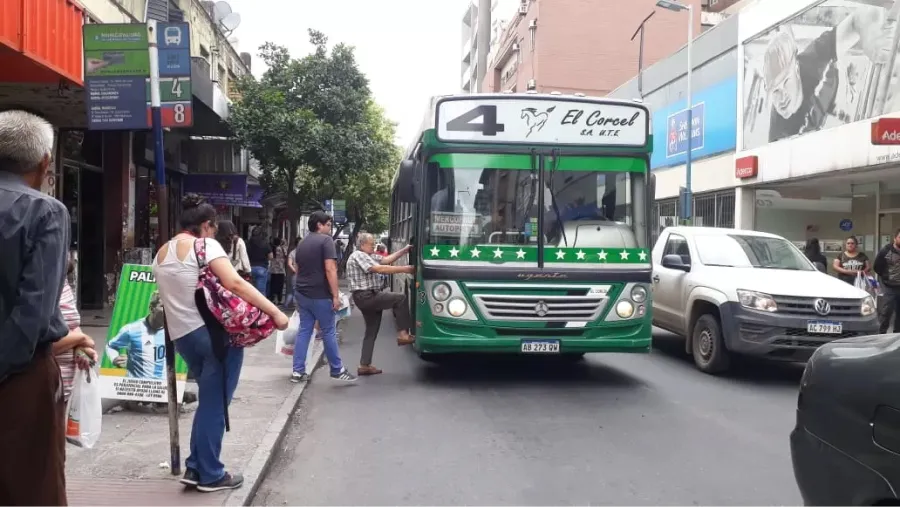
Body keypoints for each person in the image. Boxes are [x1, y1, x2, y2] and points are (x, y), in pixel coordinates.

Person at [152, 194, 288, 492]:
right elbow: (235, 283)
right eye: (214, 229)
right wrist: (276, 313)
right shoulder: (205, 245)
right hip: (213, 336)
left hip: (183, 337)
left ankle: (195, 467)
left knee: (209, 401)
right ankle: (212, 474)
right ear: (206, 225)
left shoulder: (162, 252)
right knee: (216, 404)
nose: (215, 234)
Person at [0, 110, 70, 505]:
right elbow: (34, 311)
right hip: (20, 377)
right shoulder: (44, 211)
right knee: (32, 487)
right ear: (44, 161)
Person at [291, 211, 356, 383]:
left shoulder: (302, 242)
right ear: (319, 225)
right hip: (320, 294)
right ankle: (337, 369)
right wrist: (335, 295)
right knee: (328, 331)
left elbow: (297, 268)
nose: (330, 228)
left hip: (301, 292)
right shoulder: (326, 241)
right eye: (328, 224)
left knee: (304, 330)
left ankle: (297, 371)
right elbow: (330, 269)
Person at [346, 233, 415, 376]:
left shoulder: (369, 256)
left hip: (367, 296)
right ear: (363, 244)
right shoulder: (358, 255)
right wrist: (405, 269)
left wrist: (404, 250)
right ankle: (403, 334)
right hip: (366, 296)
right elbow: (379, 269)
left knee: (371, 331)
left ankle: (364, 365)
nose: (374, 245)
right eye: (371, 243)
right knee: (400, 298)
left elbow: (386, 260)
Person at [55, 257, 99, 403]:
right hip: (39, 395)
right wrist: (81, 339)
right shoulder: (35, 287)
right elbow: (36, 346)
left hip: (65, 393)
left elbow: (71, 324)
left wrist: (80, 348)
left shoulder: (63, 283)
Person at [105, 291, 166, 379]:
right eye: (163, 307)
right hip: (137, 387)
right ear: (152, 308)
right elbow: (110, 346)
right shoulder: (131, 330)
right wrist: (114, 358)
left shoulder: (174, 332)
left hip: (162, 388)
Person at [874, 229, 900, 334]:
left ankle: (897, 335)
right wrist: (886, 278)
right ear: (895, 238)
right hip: (889, 286)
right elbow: (877, 267)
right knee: (887, 310)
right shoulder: (886, 251)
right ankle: (881, 334)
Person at [247, 227, 272, 294]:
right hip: (262, 268)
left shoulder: (248, 243)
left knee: (251, 292)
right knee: (261, 292)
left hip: (250, 268)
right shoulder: (265, 243)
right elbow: (271, 256)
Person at [268, 237, 287, 305]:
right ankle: (279, 300)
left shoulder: (272, 248)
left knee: (273, 285)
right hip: (280, 270)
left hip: (273, 270)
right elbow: (285, 256)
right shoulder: (281, 248)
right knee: (280, 286)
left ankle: (272, 299)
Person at [284, 237, 300, 309]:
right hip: (302, 274)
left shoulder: (292, 252)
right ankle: (296, 306)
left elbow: (289, 264)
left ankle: (290, 305)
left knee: (294, 290)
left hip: (295, 274)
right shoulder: (306, 251)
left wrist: (294, 270)